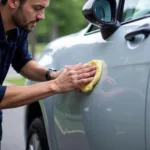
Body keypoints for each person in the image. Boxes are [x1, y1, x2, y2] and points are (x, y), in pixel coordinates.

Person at [0, 0, 96, 145]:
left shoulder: (18, 27)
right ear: (13, 2)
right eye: (37, 8)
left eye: (44, 9)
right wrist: (56, 85)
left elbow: (23, 62)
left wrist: (53, 75)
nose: (42, 16)